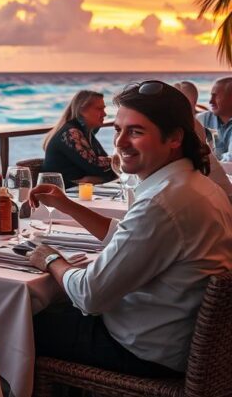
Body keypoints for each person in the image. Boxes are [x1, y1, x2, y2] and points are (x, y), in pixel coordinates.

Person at [28, 81, 232, 377]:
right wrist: (67, 205)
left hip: (145, 350)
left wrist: (49, 259)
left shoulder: (163, 203)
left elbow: (89, 295)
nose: (120, 142)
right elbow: (133, 236)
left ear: (174, 137)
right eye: (117, 129)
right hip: (186, 343)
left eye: (136, 132)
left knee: (20, 321)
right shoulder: (197, 186)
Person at [41, 90, 115, 188]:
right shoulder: (71, 133)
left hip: (77, 191)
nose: (104, 114)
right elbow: (98, 168)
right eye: (99, 109)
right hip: (61, 193)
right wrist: (115, 163)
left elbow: (108, 168)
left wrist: (101, 177)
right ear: (82, 110)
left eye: (103, 109)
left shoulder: (85, 131)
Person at [198, 77, 232, 159]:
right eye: (211, 96)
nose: (210, 101)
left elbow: (230, 159)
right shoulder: (202, 119)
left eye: (216, 96)